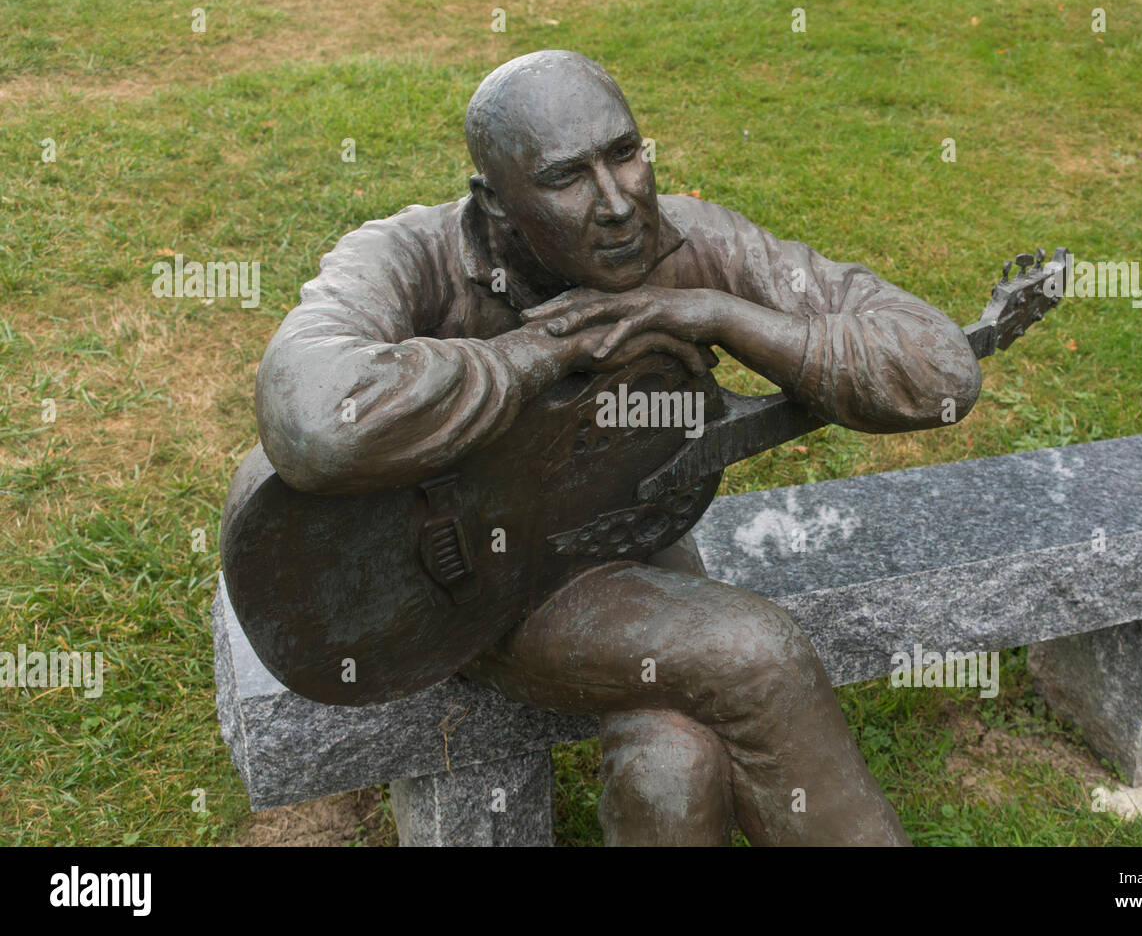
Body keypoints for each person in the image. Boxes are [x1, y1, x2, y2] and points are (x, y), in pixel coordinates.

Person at [255, 50, 982, 845]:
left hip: (622, 548)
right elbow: (313, 417)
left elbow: (939, 369)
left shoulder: (688, 243)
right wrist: (536, 357)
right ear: (495, 203)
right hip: (462, 594)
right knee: (756, 656)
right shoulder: (409, 256)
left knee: (674, 757)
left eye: (627, 153)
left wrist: (719, 314)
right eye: (566, 177)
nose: (617, 203)